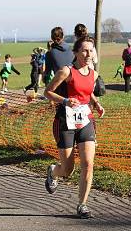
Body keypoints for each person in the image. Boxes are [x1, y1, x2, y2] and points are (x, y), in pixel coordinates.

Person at [44, 36, 105, 219]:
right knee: (67, 170)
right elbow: (47, 92)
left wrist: (96, 103)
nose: (88, 54)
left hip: (85, 120)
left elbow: (88, 91)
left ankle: (82, 204)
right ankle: (54, 172)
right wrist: (65, 100)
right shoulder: (66, 71)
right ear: (76, 53)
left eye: (91, 50)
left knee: (88, 164)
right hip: (66, 121)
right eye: (84, 50)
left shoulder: (93, 73)